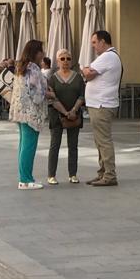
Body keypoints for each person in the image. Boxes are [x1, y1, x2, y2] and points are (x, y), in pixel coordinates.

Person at [80, 30, 122, 187]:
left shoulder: (108, 56)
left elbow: (89, 74)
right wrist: (87, 69)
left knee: (103, 141)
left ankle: (110, 174)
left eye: (94, 42)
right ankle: (103, 172)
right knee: (100, 141)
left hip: (101, 105)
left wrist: (85, 69)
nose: (93, 46)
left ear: (103, 42)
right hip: (100, 104)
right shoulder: (109, 57)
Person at [10, 39, 48, 190]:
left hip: (20, 111)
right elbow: (36, 93)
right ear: (36, 53)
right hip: (31, 113)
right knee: (29, 146)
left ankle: (24, 177)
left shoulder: (21, 68)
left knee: (23, 145)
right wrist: (47, 93)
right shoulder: (33, 69)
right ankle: (25, 179)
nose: (43, 54)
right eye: (41, 51)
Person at [46, 49, 85, 185]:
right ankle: (51, 175)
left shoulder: (78, 77)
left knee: (73, 145)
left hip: (74, 116)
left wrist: (73, 110)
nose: (66, 61)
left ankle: (73, 174)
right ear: (57, 61)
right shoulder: (52, 78)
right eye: (62, 59)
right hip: (56, 115)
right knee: (54, 145)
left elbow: (82, 95)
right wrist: (65, 112)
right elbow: (51, 98)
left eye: (68, 58)